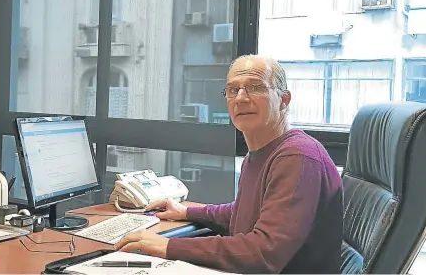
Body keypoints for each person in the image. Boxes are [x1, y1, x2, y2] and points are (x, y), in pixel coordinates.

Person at [114, 55, 344, 274]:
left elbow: (264, 252)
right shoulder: (260, 153)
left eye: (255, 87)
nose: (241, 98)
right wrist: (188, 212)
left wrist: (168, 246)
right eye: (233, 90)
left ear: (284, 100)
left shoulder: (297, 157)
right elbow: (245, 212)